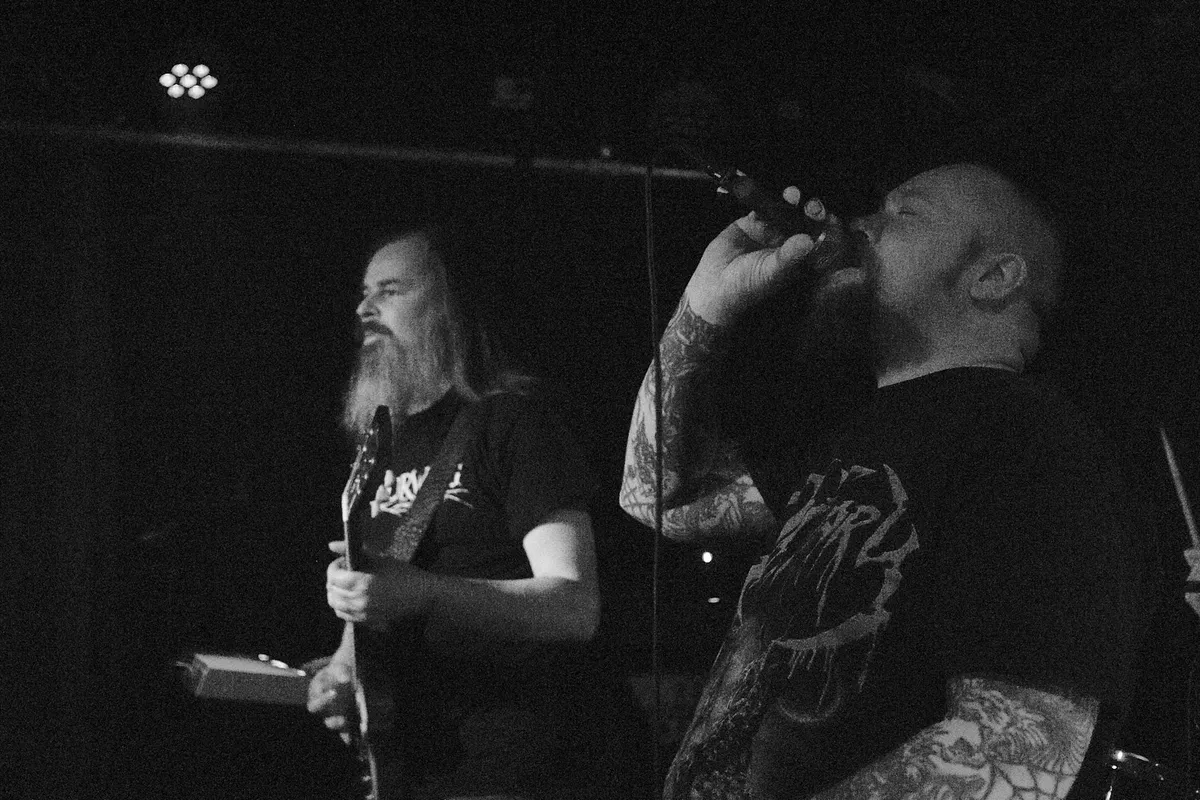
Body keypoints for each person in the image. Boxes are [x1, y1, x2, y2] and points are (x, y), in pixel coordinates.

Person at [619, 162, 1158, 800]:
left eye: (906, 213)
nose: (862, 225)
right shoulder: (852, 437)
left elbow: (1026, 745)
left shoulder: (1031, 439)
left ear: (992, 277)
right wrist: (705, 306)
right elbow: (657, 498)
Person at [307, 228, 640, 800]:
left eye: (390, 290)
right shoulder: (379, 447)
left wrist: (425, 593)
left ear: (448, 305)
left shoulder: (513, 423)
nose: (364, 309)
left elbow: (574, 606)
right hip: (419, 768)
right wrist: (342, 673)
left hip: (522, 763)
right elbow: (383, 595)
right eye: (364, 293)